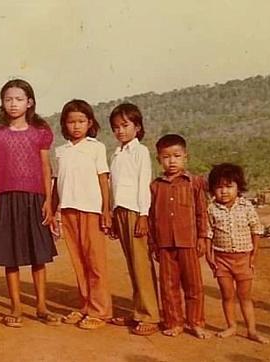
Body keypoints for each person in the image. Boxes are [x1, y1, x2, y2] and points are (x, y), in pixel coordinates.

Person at [0, 79, 60, 328]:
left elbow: (46, 167)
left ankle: (41, 306)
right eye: (8, 99)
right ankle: (15, 306)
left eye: (18, 99)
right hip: (6, 198)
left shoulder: (41, 132)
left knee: (38, 255)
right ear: (2, 103)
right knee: (11, 256)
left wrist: (49, 201)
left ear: (29, 102)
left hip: (35, 198)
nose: (13, 104)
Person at [51, 99, 112, 329]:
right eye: (71, 122)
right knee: (78, 262)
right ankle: (86, 306)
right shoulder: (61, 151)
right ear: (64, 124)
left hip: (91, 211)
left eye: (81, 121)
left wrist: (106, 210)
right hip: (68, 211)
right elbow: (56, 182)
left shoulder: (96, 147)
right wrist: (53, 207)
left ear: (90, 123)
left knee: (95, 262)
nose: (76, 126)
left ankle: (101, 310)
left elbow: (103, 179)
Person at [149, 134, 211, 339]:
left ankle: (196, 322)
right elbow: (151, 217)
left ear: (186, 157)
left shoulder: (194, 183)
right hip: (165, 244)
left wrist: (203, 237)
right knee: (168, 286)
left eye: (176, 155)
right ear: (159, 159)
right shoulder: (155, 186)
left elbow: (202, 212)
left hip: (189, 242)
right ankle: (174, 322)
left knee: (193, 285)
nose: (172, 161)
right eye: (166, 157)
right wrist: (153, 244)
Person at [108, 103, 160, 336]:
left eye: (125, 125)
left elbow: (143, 185)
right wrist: (111, 212)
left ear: (137, 127)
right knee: (132, 265)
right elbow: (113, 186)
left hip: (135, 212)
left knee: (141, 264)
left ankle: (151, 315)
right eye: (116, 127)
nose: (120, 131)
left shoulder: (140, 152)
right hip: (120, 211)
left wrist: (143, 215)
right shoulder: (117, 154)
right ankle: (138, 312)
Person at [205, 163, 269, 344]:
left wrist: (254, 254)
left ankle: (251, 330)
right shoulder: (211, 209)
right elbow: (208, 233)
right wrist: (209, 256)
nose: (224, 191)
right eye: (219, 187)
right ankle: (231, 326)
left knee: (245, 297)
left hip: (243, 259)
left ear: (238, 187)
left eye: (229, 186)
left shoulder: (246, 206)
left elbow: (256, 229)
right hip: (222, 260)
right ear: (212, 190)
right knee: (227, 295)